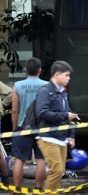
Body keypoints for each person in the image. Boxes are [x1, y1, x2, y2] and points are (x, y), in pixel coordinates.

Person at [35, 60, 78, 193]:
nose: (68, 78)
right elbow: (41, 113)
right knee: (57, 170)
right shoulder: (45, 90)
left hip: (62, 138)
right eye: (67, 75)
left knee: (59, 172)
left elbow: (69, 114)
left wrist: (71, 136)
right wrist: (65, 116)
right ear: (57, 75)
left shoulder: (63, 92)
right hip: (48, 137)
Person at [11, 57, 47, 192]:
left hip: (22, 127)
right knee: (41, 159)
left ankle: (17, 189)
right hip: (42, 128)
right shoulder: (46, 85)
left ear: (26, 70)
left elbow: (14, 110)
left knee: (19, 159)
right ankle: (38, 189)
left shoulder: (18, 85)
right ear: (40, 70)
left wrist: (15, 128)